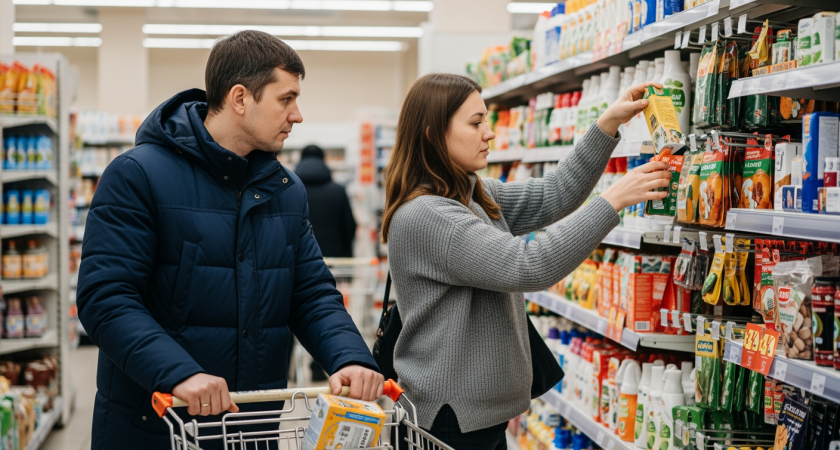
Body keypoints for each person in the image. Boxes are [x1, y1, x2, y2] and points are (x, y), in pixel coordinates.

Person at [76, 30, 383, 449]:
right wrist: (179, 372)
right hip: (157, 425)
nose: (297, 115)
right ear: (240, 98)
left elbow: (311, 293)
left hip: (250, 428)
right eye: (286, 99)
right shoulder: (138, 176)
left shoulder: (286, 190)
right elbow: (106, 298)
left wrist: (349, 356)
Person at [382, 73, 671, 449]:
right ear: (432, 134)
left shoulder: (468, 196)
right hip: (451, 421)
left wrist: (608, 123)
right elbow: (528, 264)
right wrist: (612, 200)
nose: (489, 133)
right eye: (475, 122)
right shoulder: (429, 216)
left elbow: (554, 193)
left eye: (486, 120)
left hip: (475, 415)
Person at [294, 145, 357, 258]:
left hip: (300, 261)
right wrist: (344, 251)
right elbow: (350, 226)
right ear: (324, 160)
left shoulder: (289, 192)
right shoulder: (338, 191)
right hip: (334, 260)